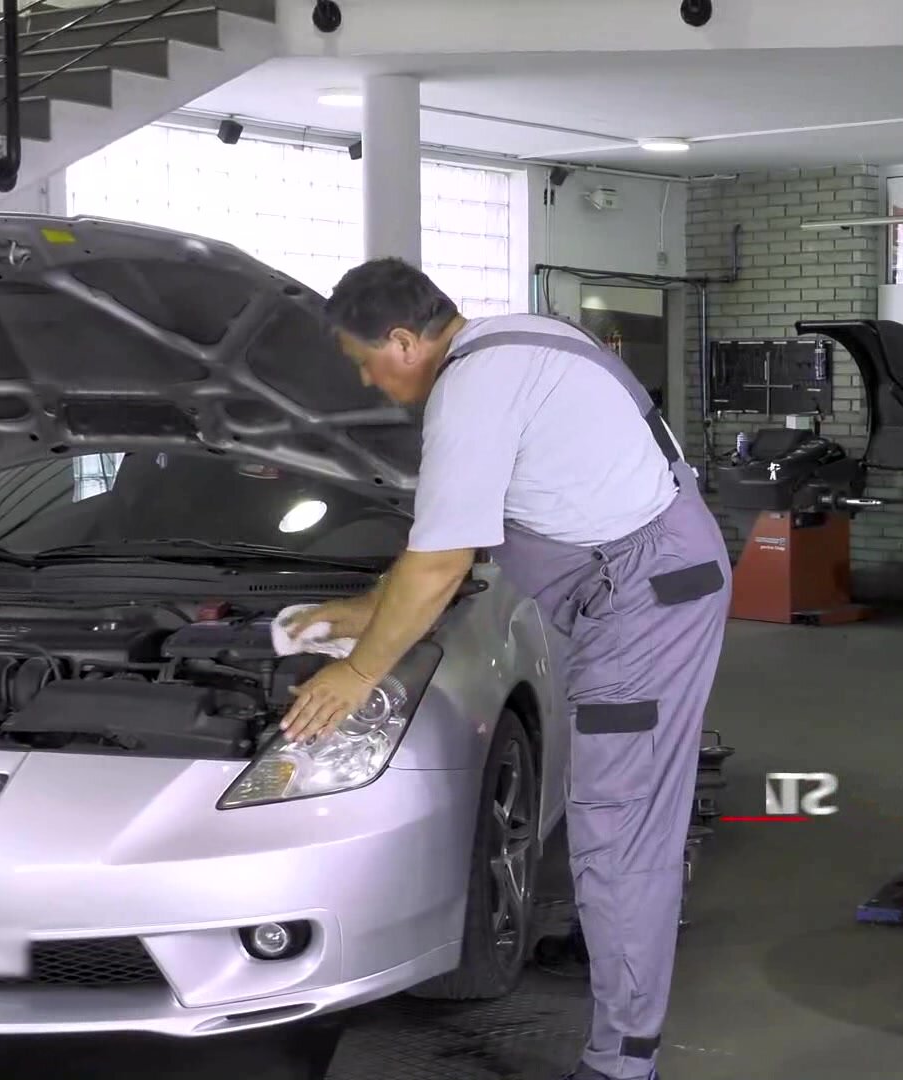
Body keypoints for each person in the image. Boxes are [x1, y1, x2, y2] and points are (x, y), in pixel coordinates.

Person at [277, 258, 732, 1080]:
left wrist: (358, 673)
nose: (368, 381)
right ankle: (611, 941)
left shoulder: (471, 392)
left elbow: (442, 562)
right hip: (652, 581)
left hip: (645, 601)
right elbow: (458, 534)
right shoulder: (512, 342)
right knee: (622, 813)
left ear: (403, 341)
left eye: (363, 361)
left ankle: (624, 1059)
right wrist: (366, 611)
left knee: (619, 826)